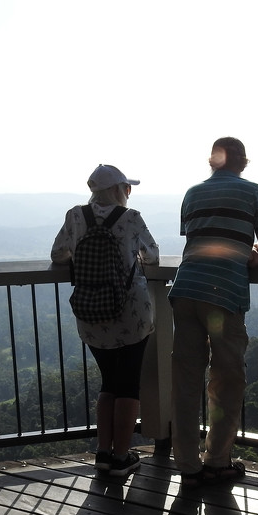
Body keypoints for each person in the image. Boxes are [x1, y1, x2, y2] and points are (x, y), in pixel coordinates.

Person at [169, 137, 258, 487]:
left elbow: (199, 238)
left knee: (186, 381)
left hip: (185, 290)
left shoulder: (192, 193)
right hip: (222, 295)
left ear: (213, 161)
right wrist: (253, 253)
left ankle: (186, 463)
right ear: (242, 162)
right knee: (226, 381)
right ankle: (216, 461)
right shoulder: (253, 191)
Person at [51, 164, 160, 477]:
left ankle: (102, 453)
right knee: (129, 386)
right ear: (118, 190)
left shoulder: (75, 215)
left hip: (91, 313)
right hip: (131, 312)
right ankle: (122, 456)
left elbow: (58, 254)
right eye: (127, 188)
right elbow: (152, 255)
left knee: (109, 382)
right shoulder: (131, 217)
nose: (129, 193)